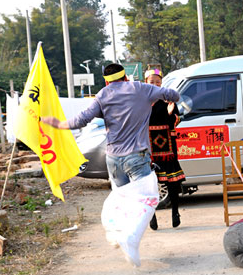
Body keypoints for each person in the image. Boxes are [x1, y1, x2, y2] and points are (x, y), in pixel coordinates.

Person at [41, 63, 180, 188]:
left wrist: (59, 124)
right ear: (125, 77)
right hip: (137, 156)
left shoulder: (102, 95)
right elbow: (174, 95)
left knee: (123, 202)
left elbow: (82, 119)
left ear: (107, 81)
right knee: (143, 202)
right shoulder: (141, 88)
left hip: (113, 159)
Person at [144, 67, 185, 230]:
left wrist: (170, 114)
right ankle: (151, 216)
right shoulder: (142, 101)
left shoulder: (168, 99)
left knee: (172, 182)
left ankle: (175, 212)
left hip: (167, 147)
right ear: (146, 83)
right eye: (152, 82)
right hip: (147, 148)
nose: (155, 84)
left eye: (158, 82)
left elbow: (176, 121)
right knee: (149, 184)